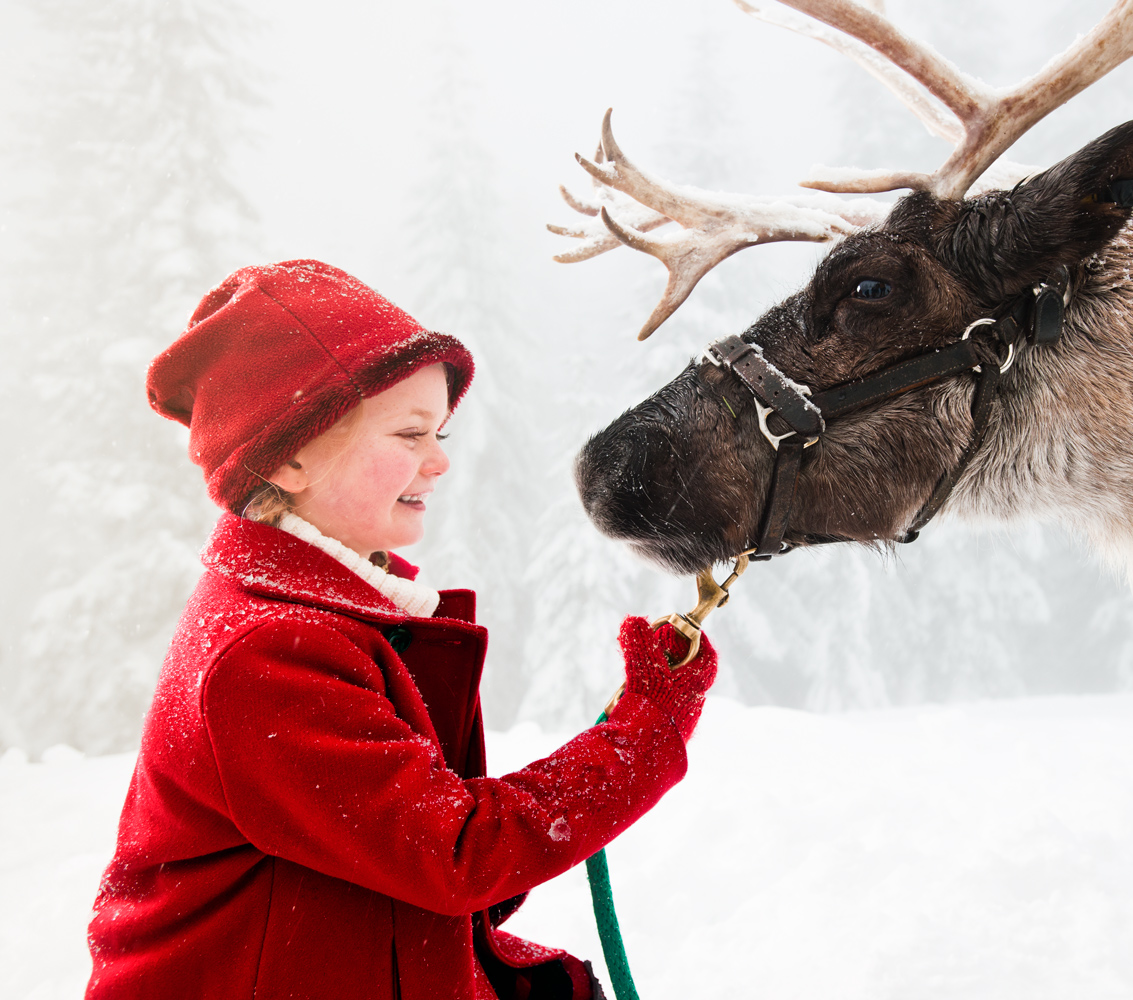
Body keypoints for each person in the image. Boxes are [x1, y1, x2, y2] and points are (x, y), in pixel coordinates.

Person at [84, 260, 716, 1000]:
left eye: (440, 431)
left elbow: (401, 879)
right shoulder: (269, 656)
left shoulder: (318, 617)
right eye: (410, 433)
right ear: (289, 455)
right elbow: (457, 856)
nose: (440, 460)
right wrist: (647, 729)